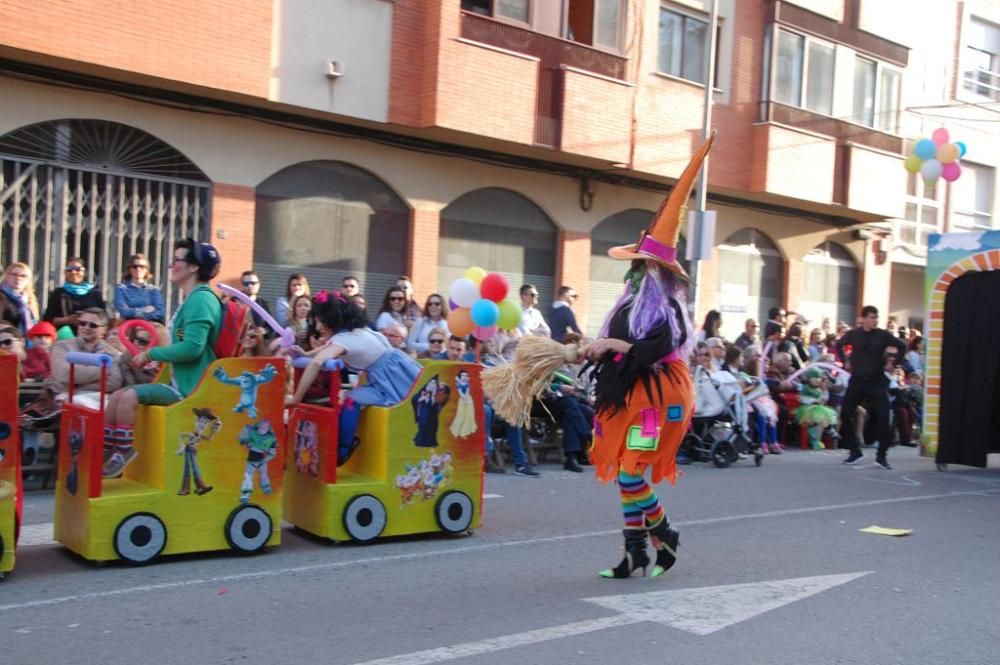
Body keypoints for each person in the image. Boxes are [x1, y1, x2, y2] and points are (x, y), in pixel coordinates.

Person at [574, 138, 709, 579]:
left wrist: (613, 347)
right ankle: (635, 553)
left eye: (639, 265)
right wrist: (587, 346)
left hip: (659, 399)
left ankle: (665, 533)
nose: (631, 272)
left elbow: (650, 352)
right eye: (632, 265)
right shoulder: (628, 306)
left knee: (633, 473)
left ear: (656, 271)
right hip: (630, 396)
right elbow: (614, 344)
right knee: (624, 474)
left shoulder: (668, 310)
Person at [101, 239, 223, 477]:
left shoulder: (202, 299)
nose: (171, 266)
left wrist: (151, 353)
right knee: (116, 396)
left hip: (192, 388)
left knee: (127, 397)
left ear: (193, 267)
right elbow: (181, 342)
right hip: (180, 381)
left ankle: (123, 452)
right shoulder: (193, 298)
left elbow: (192, 348)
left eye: (176, 260)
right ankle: (108, 450)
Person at [288, 291, 422, 461]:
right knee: (349, 399)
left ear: (331, 320)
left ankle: (343, 449)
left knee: (348, 400)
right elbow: (325, 350)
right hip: (383, 376)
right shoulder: (356, 331)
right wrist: (307, 354)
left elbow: (318, 362)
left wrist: (296, 397)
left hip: (393, 377)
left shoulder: (345, 340)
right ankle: (345, 446)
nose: (317, 327)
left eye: (320, 321)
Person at [836, 305, 907, 469]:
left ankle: (881, 456)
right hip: (858, 380)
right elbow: (840, 344)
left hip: (876, 381)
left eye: (876, 317)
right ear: (864, 319)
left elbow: (902, 346)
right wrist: (845, 360)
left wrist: (894, 363)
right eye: (872, 317)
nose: (875, 320)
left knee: (884, 416)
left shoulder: (882, 335)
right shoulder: (855, 334)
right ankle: (855, 450)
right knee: (845, 413)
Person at [48, 308, 123, 410]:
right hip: (63, 399)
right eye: (82, 323)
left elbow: (114, 382)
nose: (86, 328)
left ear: (104, 329)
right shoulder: (62, 346)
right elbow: (65, 374)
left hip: (97, 398)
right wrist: (103, 371)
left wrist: (76, 388)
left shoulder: (112, 353)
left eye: (93, 325)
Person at [43, 257, 106, 335]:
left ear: (84, 272)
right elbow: (47, 319)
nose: (73, 272)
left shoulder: (94, 292)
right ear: (65, 273)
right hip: (67, 336)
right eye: (69, 269)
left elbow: (104, 317)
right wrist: (67, 320)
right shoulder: (58, 293)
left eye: (77, 269)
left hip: (91, 334)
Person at [113, 253, 165, 323]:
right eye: (135, 266)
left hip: (148, 327)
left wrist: (134, 312)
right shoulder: (121, 289)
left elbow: (160, 312)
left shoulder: (153, 290)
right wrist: (144, 310)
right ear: (130, 269)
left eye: (142, 266)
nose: (138, 269)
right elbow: (123, 312)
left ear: (146, 269)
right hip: (128, 327)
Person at [0, 262, 40, 337]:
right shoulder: (1, 297)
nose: (18, 278)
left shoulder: (29, 299)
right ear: (7, 276)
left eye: (23, 276)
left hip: (27, 343)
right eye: (14, 274)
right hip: (6, 342)